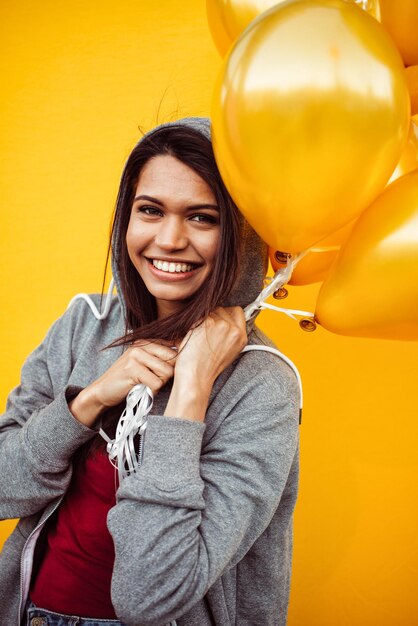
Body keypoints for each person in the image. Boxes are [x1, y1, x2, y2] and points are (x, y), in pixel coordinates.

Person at [0, 117, 300, 626]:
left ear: (241, 234)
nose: (170, 238)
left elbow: (152, 595)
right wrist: (86, 402)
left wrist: (191, 391)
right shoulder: (84, 326)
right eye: (150, 210)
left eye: (203, 217)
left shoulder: (262, 383)